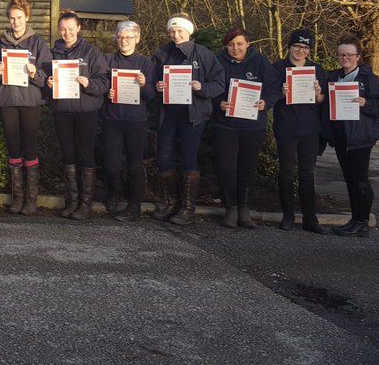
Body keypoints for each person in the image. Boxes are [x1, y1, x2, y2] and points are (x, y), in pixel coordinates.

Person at [151, 13, 224, 225]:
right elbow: (153, 82)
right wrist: (157, 86)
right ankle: (173, 202)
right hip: (168, 114)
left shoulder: (203, 54)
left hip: (193, 115)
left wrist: (202, 88)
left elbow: (220, 83)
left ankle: (188, 209)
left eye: (180, 31)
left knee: (188, 159)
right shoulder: (162, 54)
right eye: (172, 31)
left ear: (189, 32)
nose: (176, 35)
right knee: (163, 159)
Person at [213, 27, 281, 228]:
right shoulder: (218, 62)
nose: (235, 48)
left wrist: (265, 102)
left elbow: (273, 87)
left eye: (240, 44)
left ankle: (244, 209)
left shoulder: (260, 61)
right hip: (225, 125)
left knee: (247, 168)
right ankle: (230, 208)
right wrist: (218, 103)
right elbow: (209, 87)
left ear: (248, 44)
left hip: (253, 125)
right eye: (231, 44)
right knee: (226, 167)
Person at [45, 11, 109, 220]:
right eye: (63, 29)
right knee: (68, 155)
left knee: (85, 155)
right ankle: (72, 201)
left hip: (86, 111)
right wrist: (48, 83)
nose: (67, 33)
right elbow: (43, 79)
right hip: (62, 110)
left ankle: (85, 204)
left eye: (71, 29)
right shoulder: (52, 53)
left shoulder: (91, 52)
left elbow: (104, 82)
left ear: (79, 28)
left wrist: (89, 83)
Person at [0, 0, 52, 215]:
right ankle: (17, 198)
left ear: (27, 17)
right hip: (8, 101)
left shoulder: (38, 44)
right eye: (12, 18)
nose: (15, 22)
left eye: (19, 17)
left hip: (29, 102)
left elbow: (47, 79)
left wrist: (36, 74)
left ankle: (31, 199)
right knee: (13, 148)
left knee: (29, 148)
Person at [325, 36, 379, 237]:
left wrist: (366, 103)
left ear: (358, 56)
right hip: (341, 136)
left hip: (360, 137)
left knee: (360, 179)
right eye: (341, 55)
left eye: (349, 55)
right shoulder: (333, 77)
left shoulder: (368, 79)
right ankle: (354, 220)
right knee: (350, 179)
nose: (345, 58)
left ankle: (362, 223)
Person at [272, 28, 328, 233]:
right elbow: (269, 97)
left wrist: (318, 94)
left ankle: (310, 218)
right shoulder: (277, 68)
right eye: (297, 46)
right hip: (286, 126)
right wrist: (281, 93)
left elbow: (322, 100)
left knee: (307, 173)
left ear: (309, 50)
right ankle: (288, 215)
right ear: (290, 47)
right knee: (286, 172)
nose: (300, 50)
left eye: (305, 47)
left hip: (310, 128)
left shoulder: (317, 69)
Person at [102, 21, 157, 221]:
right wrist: (106, 92)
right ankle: (113, 193)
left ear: (137, 39)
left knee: (134, 165)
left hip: (136, 121)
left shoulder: (145, 63)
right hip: (112, 119)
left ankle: (135, 205)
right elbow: (99, 85)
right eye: (120, 37)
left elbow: (152, 95)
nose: (124, 41)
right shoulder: (107, 60)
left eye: (128, 37)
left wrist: (144, 85)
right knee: (111, 164)